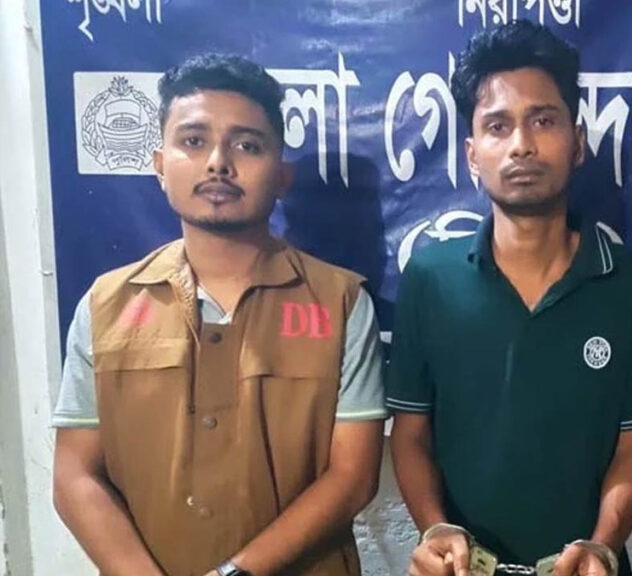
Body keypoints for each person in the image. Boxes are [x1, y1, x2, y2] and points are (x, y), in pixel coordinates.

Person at [52, 53, 387, 576]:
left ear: (282, 175)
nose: (218, 163)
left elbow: (353, 477)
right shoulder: (106, 304)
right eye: (193, 141)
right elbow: (74, 476)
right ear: (159, 164)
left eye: (247, 145)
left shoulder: (341, 303)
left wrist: (234, 574)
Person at [386, 20, 632, 576]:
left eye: (543, 120)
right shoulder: (430, 278)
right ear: (472, 154)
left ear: (578, 142)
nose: (521, 144)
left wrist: (603, 545)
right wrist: (435, 527)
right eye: (497, 126)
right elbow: (411, 434)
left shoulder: (629, 283)